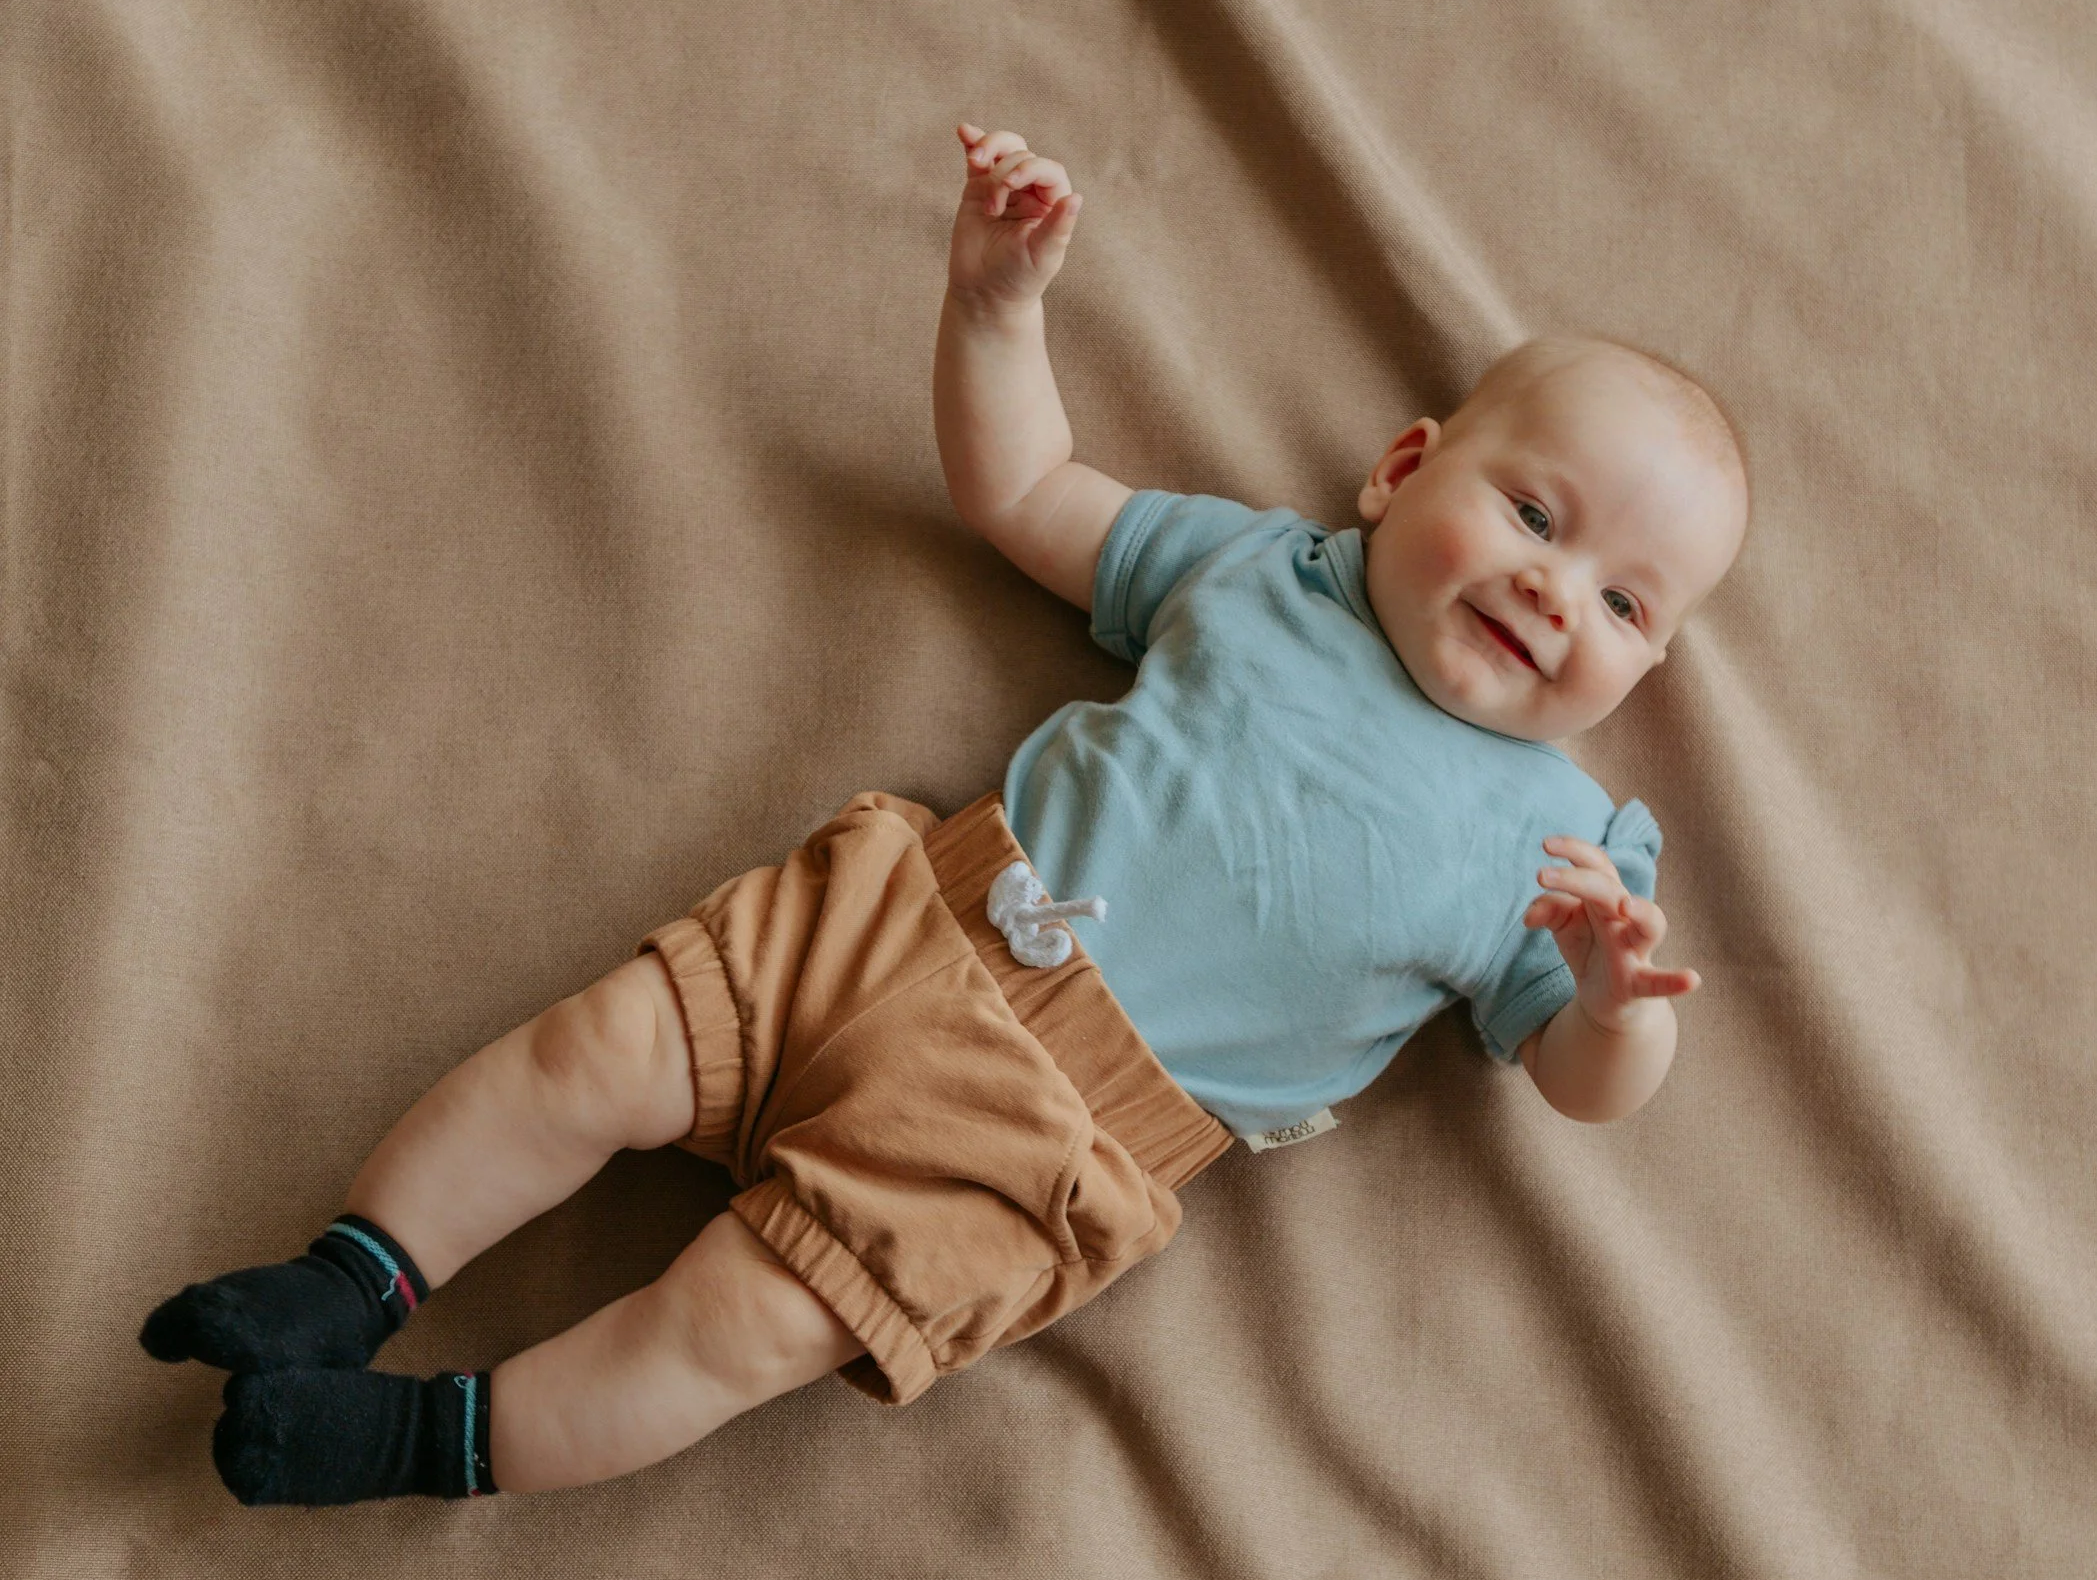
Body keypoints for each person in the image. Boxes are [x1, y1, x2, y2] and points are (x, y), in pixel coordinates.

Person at [139, 123, 1752, 1506]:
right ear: (1403, 467)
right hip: (909, 912)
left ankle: (421, 1436)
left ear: (1648, 664)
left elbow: (1589, 1085)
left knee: (732, 1322)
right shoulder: (1262, 573)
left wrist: (1612, 998)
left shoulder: (1556, 845)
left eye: (1624, 600)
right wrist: (994, 307)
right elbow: (1027, 488)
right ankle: (344, 1276)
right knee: (589, 1054)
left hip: (1046, 1136)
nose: (1556, 588)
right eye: (1533, 511)